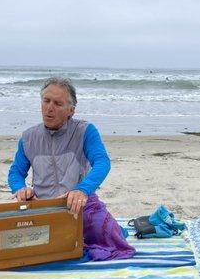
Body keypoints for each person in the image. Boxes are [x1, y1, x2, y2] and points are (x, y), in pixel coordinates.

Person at [8, 77, 135, 260]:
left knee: (107, 232)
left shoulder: (85, 131)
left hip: (80, 203)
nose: (50, 108)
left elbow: (102, 162)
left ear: (71, 110)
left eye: (58, 103)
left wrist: (82, 190)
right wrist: (19, 189)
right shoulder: (28, 137)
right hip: (40, 205)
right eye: (46, 101)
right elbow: (16, 172)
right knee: (7, 237)